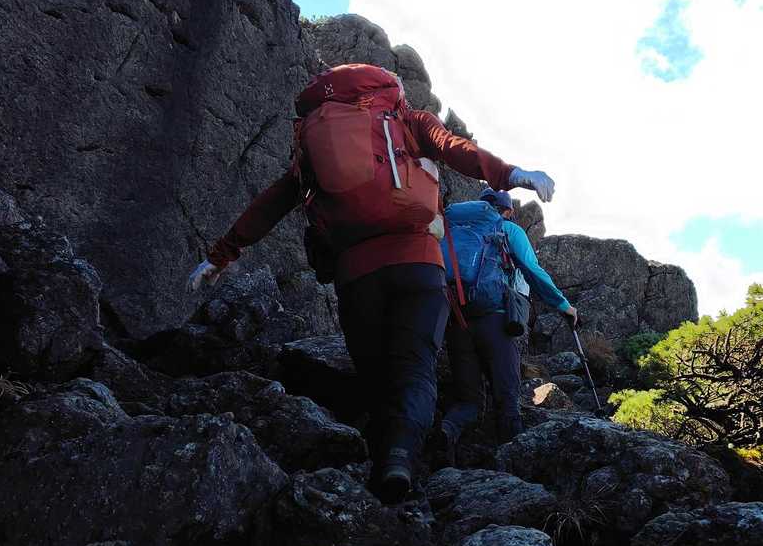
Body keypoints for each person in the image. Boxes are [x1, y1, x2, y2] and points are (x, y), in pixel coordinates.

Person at [185, 63, 556, 503]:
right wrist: (512, 175)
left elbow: (274, 201)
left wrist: (221, 255)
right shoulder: (405, 120)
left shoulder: (318, 141)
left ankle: (378, 468)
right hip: (418, 264)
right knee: (414, 367)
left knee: (376, 373)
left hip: (356, 272)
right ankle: (400, 460)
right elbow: (454, 147)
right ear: (389, 89)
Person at [440, 188, 576, 458]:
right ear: (508, 211)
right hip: (497, 321)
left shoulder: (452, 230)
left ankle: (445, 436)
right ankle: (512, 467)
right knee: (507, 397)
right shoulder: (508, 229)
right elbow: (531, 269)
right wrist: (563, 305)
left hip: (456, 321)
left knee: (468, 402)